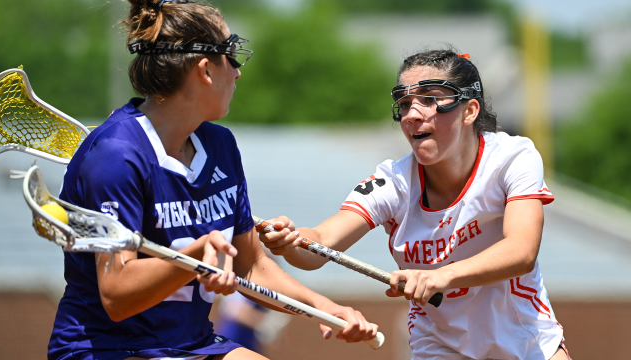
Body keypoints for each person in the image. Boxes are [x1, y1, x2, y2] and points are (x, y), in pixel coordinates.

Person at [47, 1, 378, 359]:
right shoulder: (116, 156)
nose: (237, 72)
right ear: (206, 69)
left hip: (190, 344)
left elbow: (250, 264)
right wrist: (193, 257)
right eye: (231, 56)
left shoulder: (220, 146)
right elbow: (116, 295)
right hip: (108, 348)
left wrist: (325, 309)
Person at [259, 49, 571, 360]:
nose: (411, 114)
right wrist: (290, 242)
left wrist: (439, 276)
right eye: (405, 104)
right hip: (439, 348)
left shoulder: (512, 157)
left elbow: (522, 250)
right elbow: (321, 244)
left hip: (528, 342)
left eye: (430, 99)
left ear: (470, 111)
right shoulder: (392, 183)